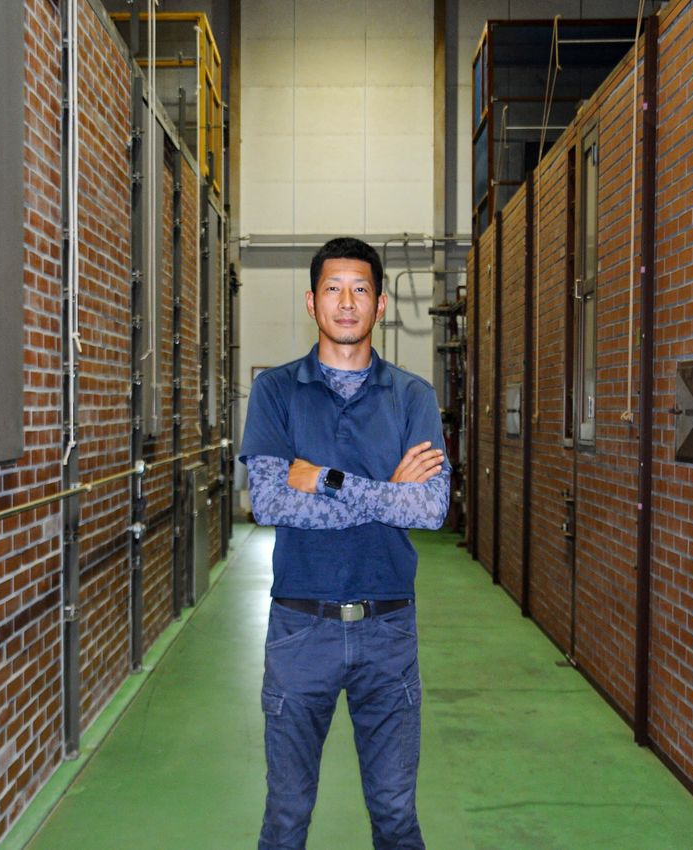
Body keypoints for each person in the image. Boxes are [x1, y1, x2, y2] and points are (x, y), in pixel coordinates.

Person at [239, 237, 450, 850]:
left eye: (361, 289)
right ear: (312, 301)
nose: (347, 301)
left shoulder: (412, 397)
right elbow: (272, 503)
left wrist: (328, 480)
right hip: (301, 628)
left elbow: (431, 509)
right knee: (286, 816)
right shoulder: (277, 391)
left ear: (381, 304)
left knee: (395, 815)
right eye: (334, 288)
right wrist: (386, 494)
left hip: (388, 629)